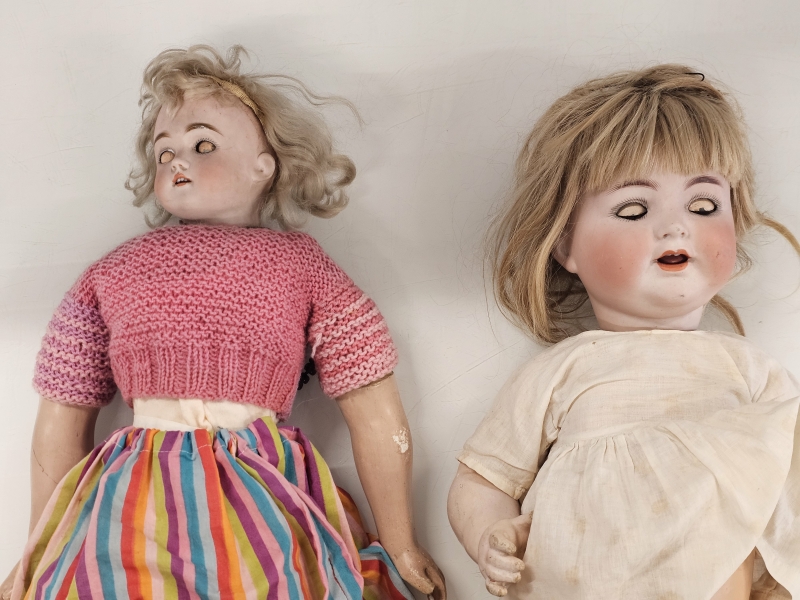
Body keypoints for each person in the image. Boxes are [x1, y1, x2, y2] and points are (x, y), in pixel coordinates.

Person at [4, 45, 446, 600]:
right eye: (164, 152)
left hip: (263, 483)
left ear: (265, 163)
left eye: (203, 144)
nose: (177, 161)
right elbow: (62, 419)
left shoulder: (302, 265)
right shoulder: (114, 272)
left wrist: (400, 541)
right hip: (136, 496)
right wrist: (38, 549)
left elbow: (375, 411)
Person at [447, 65, 800, 599]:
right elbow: (481, 479)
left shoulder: (751, 370)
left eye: (703, 206)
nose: (676, 226)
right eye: (634, 210)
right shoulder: (563, 370)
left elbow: (785, 497)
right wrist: (489, 536)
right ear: (565, 245)